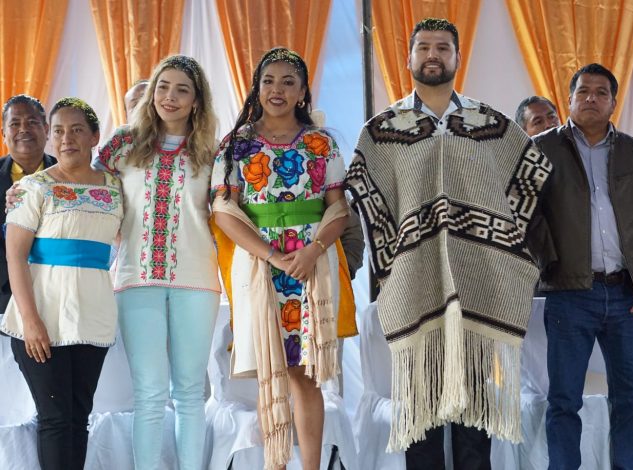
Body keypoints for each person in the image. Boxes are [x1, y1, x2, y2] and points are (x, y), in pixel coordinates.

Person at [345, 18, 551, 469]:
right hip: (416, 285)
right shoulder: (382, 130)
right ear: (410, 57)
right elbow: (367, 198)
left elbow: (529, 177)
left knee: (474, 419)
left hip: (478, 286)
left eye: (442, 47)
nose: (433, 55)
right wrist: (390, 265)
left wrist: (500, 249)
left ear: (458, 57)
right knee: (422, 421)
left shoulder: (490, 123)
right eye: (423, 47)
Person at [530, 63, 633, 470]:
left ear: (614, 102)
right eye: (583, 92)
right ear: (570, 99)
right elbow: (523, 218)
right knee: (564, 401)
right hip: (569, 295)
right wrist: (550, 263)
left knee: (632, 399)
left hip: (631, 296)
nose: (591, 98)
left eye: (600, 92)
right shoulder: (540, 150)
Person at [211, 47, 350, 470]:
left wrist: (312, 250)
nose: (277, 89)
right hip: (259, 264)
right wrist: (272, 254)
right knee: (273, 369)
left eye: (288, 81)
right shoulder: (236, 144)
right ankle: (275, 464)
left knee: (306, 375)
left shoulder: (320, 142)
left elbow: (339, 209)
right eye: (269, 80)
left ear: (303, 92)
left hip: (311, 265)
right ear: (257, 87)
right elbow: (223, 211)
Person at [95, 55, 220, 470]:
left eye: (182, 89)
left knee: (188, 393)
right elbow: (85, 186)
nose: (170, 96)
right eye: (163, 86)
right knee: (148, 393)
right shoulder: (123, 144)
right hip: (135, 278)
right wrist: (30, 187)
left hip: (197, 281)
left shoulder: (214, 153)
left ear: (196, 100)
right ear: (152, 93)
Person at [1, 98, 121, 469]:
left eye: (76, 129)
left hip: (93, 316)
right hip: (41, 318)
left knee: (77, 418)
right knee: (54, 419)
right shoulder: (33, 188)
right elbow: (15, 256)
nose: (66, 138)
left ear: (95, 136)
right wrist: (31, 321)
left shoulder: (116, 188)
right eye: (58, 131)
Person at [0, 95, 56, 313]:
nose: (23, 129)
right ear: (4, 134)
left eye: (32, 122)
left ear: (46, 129)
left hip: (58, 287)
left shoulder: (69, 174)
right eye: (15, 124)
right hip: (4, 295)